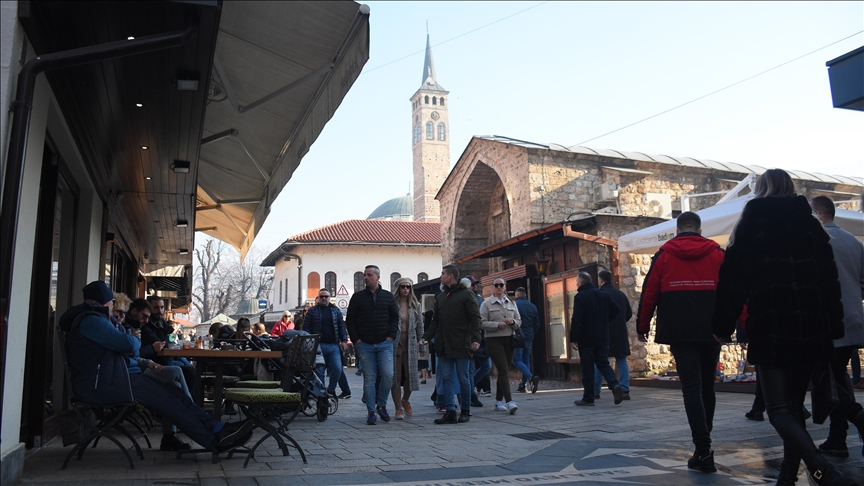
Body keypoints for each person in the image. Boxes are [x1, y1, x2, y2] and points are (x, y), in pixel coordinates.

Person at [712, 169, 854, 485]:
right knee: (792, 406)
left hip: (772, 325)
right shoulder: (811, 226)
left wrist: (722, 325)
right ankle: (787, 475)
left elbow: (733, 280)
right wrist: (833, 328)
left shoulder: (752, 221)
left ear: (760, 189)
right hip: (812, 327)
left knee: (778, 410)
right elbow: (829, 282)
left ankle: (822, 470)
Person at [59, 281, 254, 453]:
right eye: (111, 303)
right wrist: (132, 341)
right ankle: (214, 441)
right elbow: (130, 345)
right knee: (169, 401)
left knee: (175, 394)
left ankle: (217, 428)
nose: (112, 307)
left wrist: (131, 343)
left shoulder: (93, 320)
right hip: (105, 384)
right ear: (104, 302)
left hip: (114, 379)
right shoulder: (92, 321)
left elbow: (129, 348)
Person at [637, 211, 725, 474]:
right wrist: (740, 325)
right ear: (699, 230)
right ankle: (704, 445)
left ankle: (703, 448)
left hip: (678, 329)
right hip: (712, 329)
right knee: (708, 385)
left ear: (677, 230)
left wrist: (642, 327)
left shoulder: (664, 255)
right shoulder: (718, 254)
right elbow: (733, 291)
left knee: (691, 387)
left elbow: (649, 291)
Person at [810, 195, 864, 459]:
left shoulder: (818, 240)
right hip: (853, 319)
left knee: (825, 380)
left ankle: (858, 417)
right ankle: (837, 438)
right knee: (837, 377)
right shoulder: (853, 241)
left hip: (829, 322)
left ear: (818, 214)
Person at [423, 265, 482, 424]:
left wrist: (475, 339)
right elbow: (436, 321)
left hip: (462, 343)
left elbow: (475, 318)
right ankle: (450, 410)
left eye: (443, 274)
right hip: (443, 344)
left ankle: (465, 409)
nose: (441, 276)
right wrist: (426, 337)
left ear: (451, 276)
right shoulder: (441, 297)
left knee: (463, 378)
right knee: (446, 378)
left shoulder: (466, 294)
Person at [346, 265, 398, 425]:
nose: (366, 278)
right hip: (365, 344)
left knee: (388, 375)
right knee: (369, 377)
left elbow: (394, 318)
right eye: (364, 275)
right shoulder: (357, 297)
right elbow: (350, 320)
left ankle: (381, 404)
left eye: (369, 275)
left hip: (384, 343)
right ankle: (371, 411)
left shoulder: (388, 297)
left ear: (377, 277)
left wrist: (391, 336)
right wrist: (356, 340)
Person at [570, 272, 623, 407]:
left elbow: (576, 319)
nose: (576, 284)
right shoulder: (603, 294)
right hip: (602, 336)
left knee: (587, 367)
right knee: (603, 363)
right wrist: (605, 321)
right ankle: (614, 384)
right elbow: (616, 309)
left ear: (581, 283)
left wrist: (573, 338)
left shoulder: (580, 297)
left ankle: (588, 397)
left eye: (577, 282)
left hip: (586, 337)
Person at [480, 277, 521, 415]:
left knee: (504, 370)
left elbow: (519, 320)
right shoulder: (486, 304)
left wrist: (513, 322)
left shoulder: (511, 302)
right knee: (503, 369)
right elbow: (481, 323)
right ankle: (509, 401)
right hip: (494, 340)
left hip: (509, 339)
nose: (498, 287)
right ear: (492, 287)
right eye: (496, 285)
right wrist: (496, 325)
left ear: (504, 286)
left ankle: (498, 400)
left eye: (501, 285)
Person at [593, 271, 632, 401]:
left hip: (604, 332)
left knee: (600, 360)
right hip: (620, 332)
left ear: (601, 280)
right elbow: (629, 313)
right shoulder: (621, 295)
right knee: (621, 360)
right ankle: (625, 389)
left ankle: (595, 390)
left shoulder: (600, 295)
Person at [304, 288, 349, 399]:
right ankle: (321, 395)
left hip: (333, 344)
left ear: (330, 298)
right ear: (318, 298)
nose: (324, 298)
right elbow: (306, 327)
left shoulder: (335, 310)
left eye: (326, 296)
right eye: (322, 296)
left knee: (337, 368)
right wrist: (310, 341)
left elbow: (341, 327)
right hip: (318, 345)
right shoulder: (312, 311)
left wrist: (344, 340)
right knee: (320, 371)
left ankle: (331, 390)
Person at [390, 278, 423, 420]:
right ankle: (398, 408)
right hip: (396, 343)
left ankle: (405, 399)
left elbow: (420, 326)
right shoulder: (392, 304)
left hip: (411, 343)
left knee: (410, 376)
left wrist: (421, 344)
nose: (405, 289)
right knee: (395, 376)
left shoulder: (416, 305)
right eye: (403, 287)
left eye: (408, 287)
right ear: (398, 288)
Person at [513, 287, 541, 394]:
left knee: (516, 360)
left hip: (518, 335)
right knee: (526, 360)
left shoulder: (515, 305)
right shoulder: (532, 306)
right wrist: (532, 332)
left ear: (517, 295)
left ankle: (530, 377)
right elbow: (537, 323)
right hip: (529, 335)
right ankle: (523, 385)